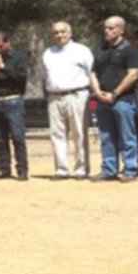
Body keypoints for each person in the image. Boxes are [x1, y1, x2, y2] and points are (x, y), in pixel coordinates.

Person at [90, 15, 138, 182]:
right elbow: (92, 73)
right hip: (102, 100)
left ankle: (130, 169)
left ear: (121, 30)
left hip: (123, 101)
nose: (107, 31)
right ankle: (109, 169)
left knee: (127, 136)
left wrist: (115, 93)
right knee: (106, 136)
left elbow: (133, 74)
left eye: (112, 28)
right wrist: (98, 92)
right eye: (106, 28)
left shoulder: (130, 51)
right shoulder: (101, 51)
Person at [42, 21, 94, 179]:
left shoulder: (81, 50)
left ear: (70, 33)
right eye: (56, 33)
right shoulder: (48, 53)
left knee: (79, 133)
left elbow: (91, 73)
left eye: (63, 32)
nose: (59, 35)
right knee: (57, 134)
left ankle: (81, 168)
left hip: (77, 95)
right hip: (54, 97)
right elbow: (45, 76)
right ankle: (61, 169)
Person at [0, 32, 30, 181]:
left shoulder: (19, 58)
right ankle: (4, 169)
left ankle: (22, 169)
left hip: (13, 100)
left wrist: (3, 67)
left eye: (1, 46)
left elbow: (21, 78)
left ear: (8, 43)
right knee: (0, 139)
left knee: (17, 137)